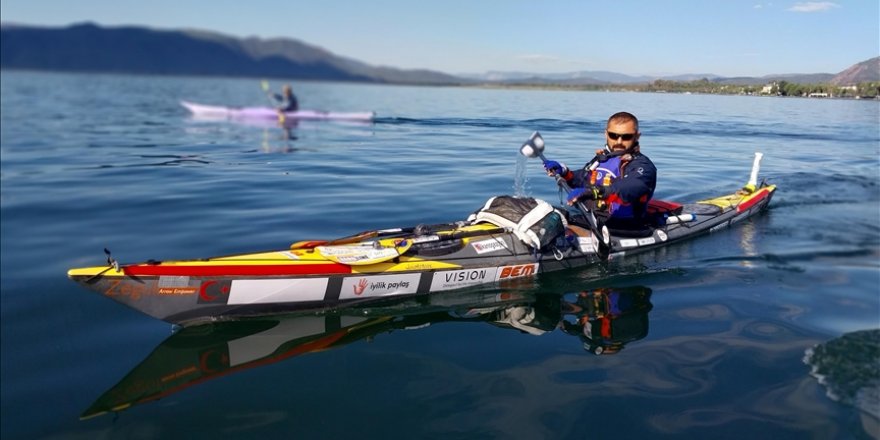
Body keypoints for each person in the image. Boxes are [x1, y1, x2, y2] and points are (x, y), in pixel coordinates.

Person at [543, 112, 657, 230]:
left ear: (637, 136)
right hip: (591, 220)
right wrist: (565, 172)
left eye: (626, 137)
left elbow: (632, 186)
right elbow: (583, 178)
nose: (619, 141)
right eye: (613, 135)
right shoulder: (602, 159)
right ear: (606, 134)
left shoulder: (643, 165)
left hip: (624, 228)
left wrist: (594, 192)